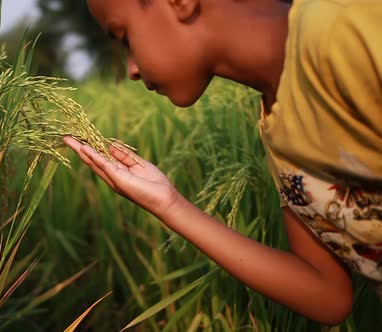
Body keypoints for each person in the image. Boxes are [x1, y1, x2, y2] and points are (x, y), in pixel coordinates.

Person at [63, 0, 382, 324]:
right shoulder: (278, 133)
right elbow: (328, 296)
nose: (131, 69)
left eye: (125, 37)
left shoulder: (348, 24)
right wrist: (169, 204)